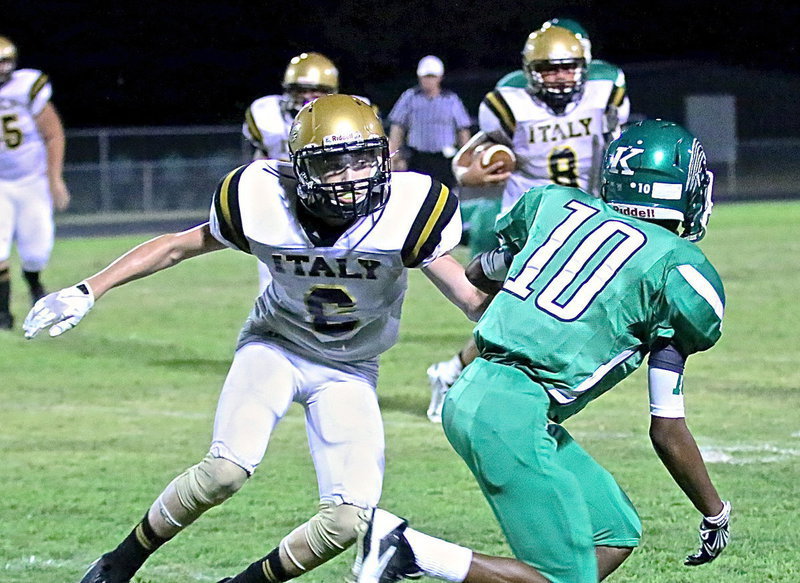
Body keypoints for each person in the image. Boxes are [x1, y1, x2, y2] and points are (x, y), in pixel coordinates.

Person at [23, 94, 489, 583]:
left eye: (362, 159)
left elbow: (469, 298)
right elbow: (179, 246)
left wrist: (536, 315)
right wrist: (88, 289)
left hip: (351, 368)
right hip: (276, 344)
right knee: (225, 470)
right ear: (302, 167)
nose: (351, 176)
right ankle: (119, 564)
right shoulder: (261, 198)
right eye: (333, 163)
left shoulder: (411, 209)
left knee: (350, 518)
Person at [355, 120, 731, 583]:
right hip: (510, 411)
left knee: (614, 531)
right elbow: (667, 429)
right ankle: (408, 550)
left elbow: (479, 273)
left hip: (481, 392)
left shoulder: (556, 206)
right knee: (563, 578)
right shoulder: (680, 272)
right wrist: (714, 512)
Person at [425, 22, 629, 422]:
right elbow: (464, 162)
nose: (559, 77)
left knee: (533, 315)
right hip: (529, 220)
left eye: (567, 68)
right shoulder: (508, 102)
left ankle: (454, 373)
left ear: (583, 66)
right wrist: (472, 176)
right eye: (548, 69)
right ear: (531, 71)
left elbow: (615, 147)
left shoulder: (606, 94)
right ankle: (467, 378)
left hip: (585, 217)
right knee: (520, 315)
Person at [243, 52, 376, 294]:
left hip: (333, 198)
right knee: (275, 263)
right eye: (299, 90)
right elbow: (260, 161)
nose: (306, 97)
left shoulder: (351, 113)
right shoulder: (267, 114)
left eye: (316, 90)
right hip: (286, 198)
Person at [0, 35, 70, 330]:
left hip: (31, 181)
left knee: (35, 252)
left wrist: (54, 180)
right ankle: (3, 313)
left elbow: (53, 134)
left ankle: (35, 284)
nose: (3, 68)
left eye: (6, 61)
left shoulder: (26, 87)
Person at [387, 55, 472, 189]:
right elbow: (398, 127)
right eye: (426, 77)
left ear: (440, 77)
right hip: (418, 158)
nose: (428, 81)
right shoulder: (410, 97)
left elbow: (462, 130)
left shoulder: (451, 100)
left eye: (432, 76)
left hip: (444, 160)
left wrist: (467, 157)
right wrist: (393, 155)